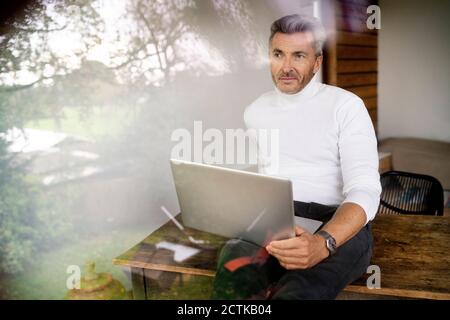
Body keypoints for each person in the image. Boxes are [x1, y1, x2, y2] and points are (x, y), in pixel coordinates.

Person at [211, 14, 381, 300]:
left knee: (299, 292)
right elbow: (268, 170)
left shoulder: (346, 107)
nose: (286, 67)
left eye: (298, 55)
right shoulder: (255, 111)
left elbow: (365, 189)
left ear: (317, 61)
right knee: (233, 277)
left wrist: (323, 243)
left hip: (337, 223)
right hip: (277, 217)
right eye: (278, 54)